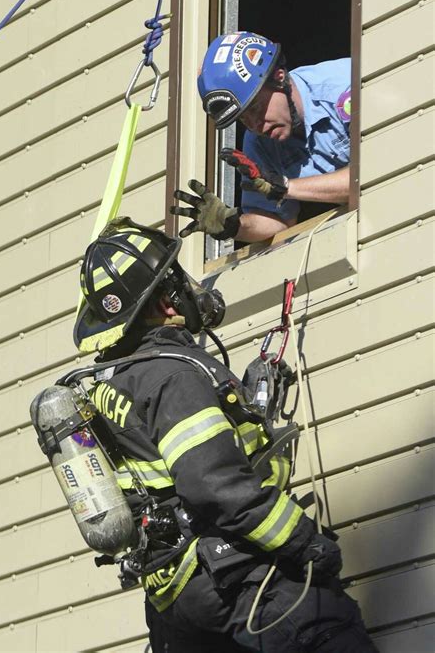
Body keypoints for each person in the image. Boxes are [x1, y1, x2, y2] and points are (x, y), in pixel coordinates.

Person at [73, 217, 377, 653]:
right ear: (165, 302)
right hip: (233, 576)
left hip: (174, 598)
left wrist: (249, 408)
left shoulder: (115, 385)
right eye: (176, 280)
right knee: (330, 636)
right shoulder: (172, 377)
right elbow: (215, 486)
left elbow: (179, 466)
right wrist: (304, 540)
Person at [171, 31, 351, 244]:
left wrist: (285, 187)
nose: (256, 125)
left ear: (279, 77)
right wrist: (233, 225)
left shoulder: (345, 84)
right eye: (244, 119)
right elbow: (278, 223)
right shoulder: (259, 143)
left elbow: (374, 171)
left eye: (256, 108)